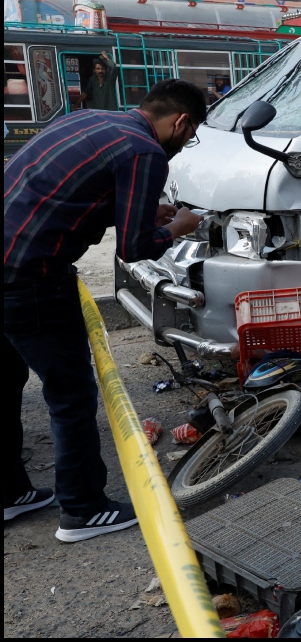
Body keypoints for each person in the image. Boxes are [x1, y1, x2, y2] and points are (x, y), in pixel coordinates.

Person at [4, 79, 206, 541]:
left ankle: (10, 494)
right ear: (181, 122)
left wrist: (143, 212)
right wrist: (178, 225)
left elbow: (71, 194)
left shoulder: (93, 120)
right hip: (30, 277)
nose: (183, 144)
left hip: (6, 262)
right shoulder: (145, 151)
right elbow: (135, 248)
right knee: (71, 395)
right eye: (189, 136)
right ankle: (82, 509)